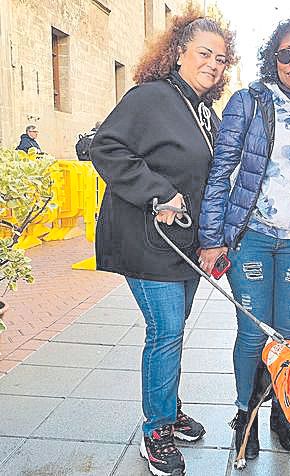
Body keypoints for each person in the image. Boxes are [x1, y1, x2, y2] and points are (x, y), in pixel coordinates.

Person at [90, 8, 236, 476]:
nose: (213, 63)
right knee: (166, 331)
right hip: (145, 239)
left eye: (221, 57)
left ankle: (168, 408)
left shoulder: (203, 111)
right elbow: (105, 147)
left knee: (172, 332)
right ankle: (156, 431)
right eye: (203, 53)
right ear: (178, 53)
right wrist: (159, 193)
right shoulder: (150, 97)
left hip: (182, 248)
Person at [198, 17, 290, 460]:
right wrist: (211, 238)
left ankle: (284, 413)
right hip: (253, 236)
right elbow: (220, 171)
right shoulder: (249, 102)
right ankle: (247, 416)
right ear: (273, 58)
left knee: (287, 337)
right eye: (285, 53)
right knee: (251, 333)